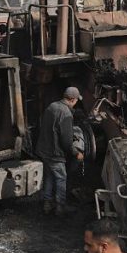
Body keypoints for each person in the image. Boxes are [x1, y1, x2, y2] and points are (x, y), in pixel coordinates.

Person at [36, 86, 84, 215]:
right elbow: (66, 142)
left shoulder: (52, 106)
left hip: (43, 150)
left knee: (49, 176)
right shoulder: (66, 114)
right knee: (61, 178)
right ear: (73, 99)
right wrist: (76, 153)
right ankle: (60, 207)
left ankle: (47, 204)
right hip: (55, 154)